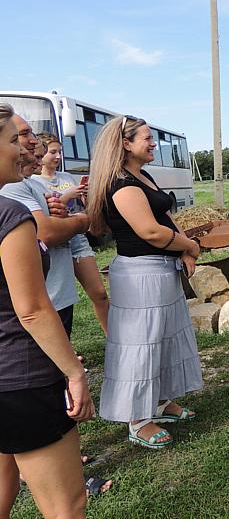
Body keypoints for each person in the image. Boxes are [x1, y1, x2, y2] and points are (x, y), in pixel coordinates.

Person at [0, 103, 94, 519]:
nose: (24, 151)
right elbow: (33, 310)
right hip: (24, 377)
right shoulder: (10, 215)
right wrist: (74, 372)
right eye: (11, 142)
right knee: (66, 506)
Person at [86, 116, 203, 447]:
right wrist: (191, 245)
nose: (153, 144)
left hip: (162, 269)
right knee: (141, 344)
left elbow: (164, 217)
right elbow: (149, 231)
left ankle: (161, 401)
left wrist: (185, 251)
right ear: (126, 144)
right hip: (140, 275)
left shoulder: (143, 175)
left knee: (164, 337)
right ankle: (137, 419)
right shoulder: (122, 184)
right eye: (147, 138)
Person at [0, 119, 90, 341]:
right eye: (20, 135)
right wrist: (81, 221)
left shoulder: (31, 184)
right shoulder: (13, 190)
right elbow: (46, 232)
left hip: (55, 294)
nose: (32, 141)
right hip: (41, 306)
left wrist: (60, 216)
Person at [33, 132, 109, 334]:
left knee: (100, 293)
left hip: (77, 239)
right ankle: (65, 348)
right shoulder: (33, 181)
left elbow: (79, 208)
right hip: (55, 244)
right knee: (57, 300)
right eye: (52, 152)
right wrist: (67, 195)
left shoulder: (66, 176)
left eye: (60, 152)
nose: (58, 157)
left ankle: (113, 338)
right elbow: (45, 218)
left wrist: (85, 197)